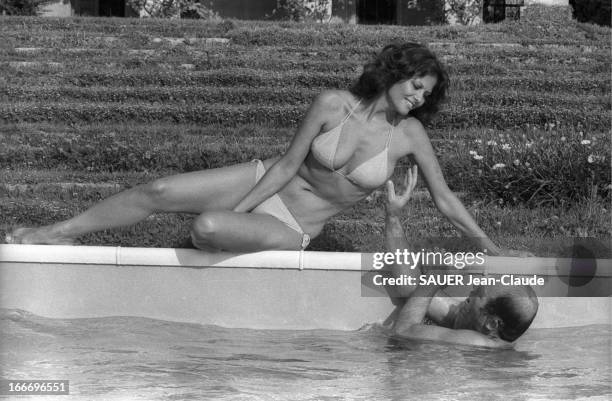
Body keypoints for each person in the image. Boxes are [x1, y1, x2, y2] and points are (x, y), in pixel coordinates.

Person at [6, 43, 517, 254]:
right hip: (262, 178)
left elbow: (445, 199)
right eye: (416, 85)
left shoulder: (410, 137)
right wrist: (246, 199)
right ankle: (57, 232)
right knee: (158, 188)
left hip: (294, 224)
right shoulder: (332, 103)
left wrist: (491, 247)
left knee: (207, 225)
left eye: (427, 93)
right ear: (395, 75)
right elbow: (290, 162)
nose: (420, 97)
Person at [384, 165, 538, 348]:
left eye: (478, 295)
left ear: (491, 323)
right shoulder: (480, 328)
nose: (470, 291)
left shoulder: (474, 342)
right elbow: (412, 288)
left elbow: (402, 333)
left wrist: (433, 281)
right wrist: (393, 216)